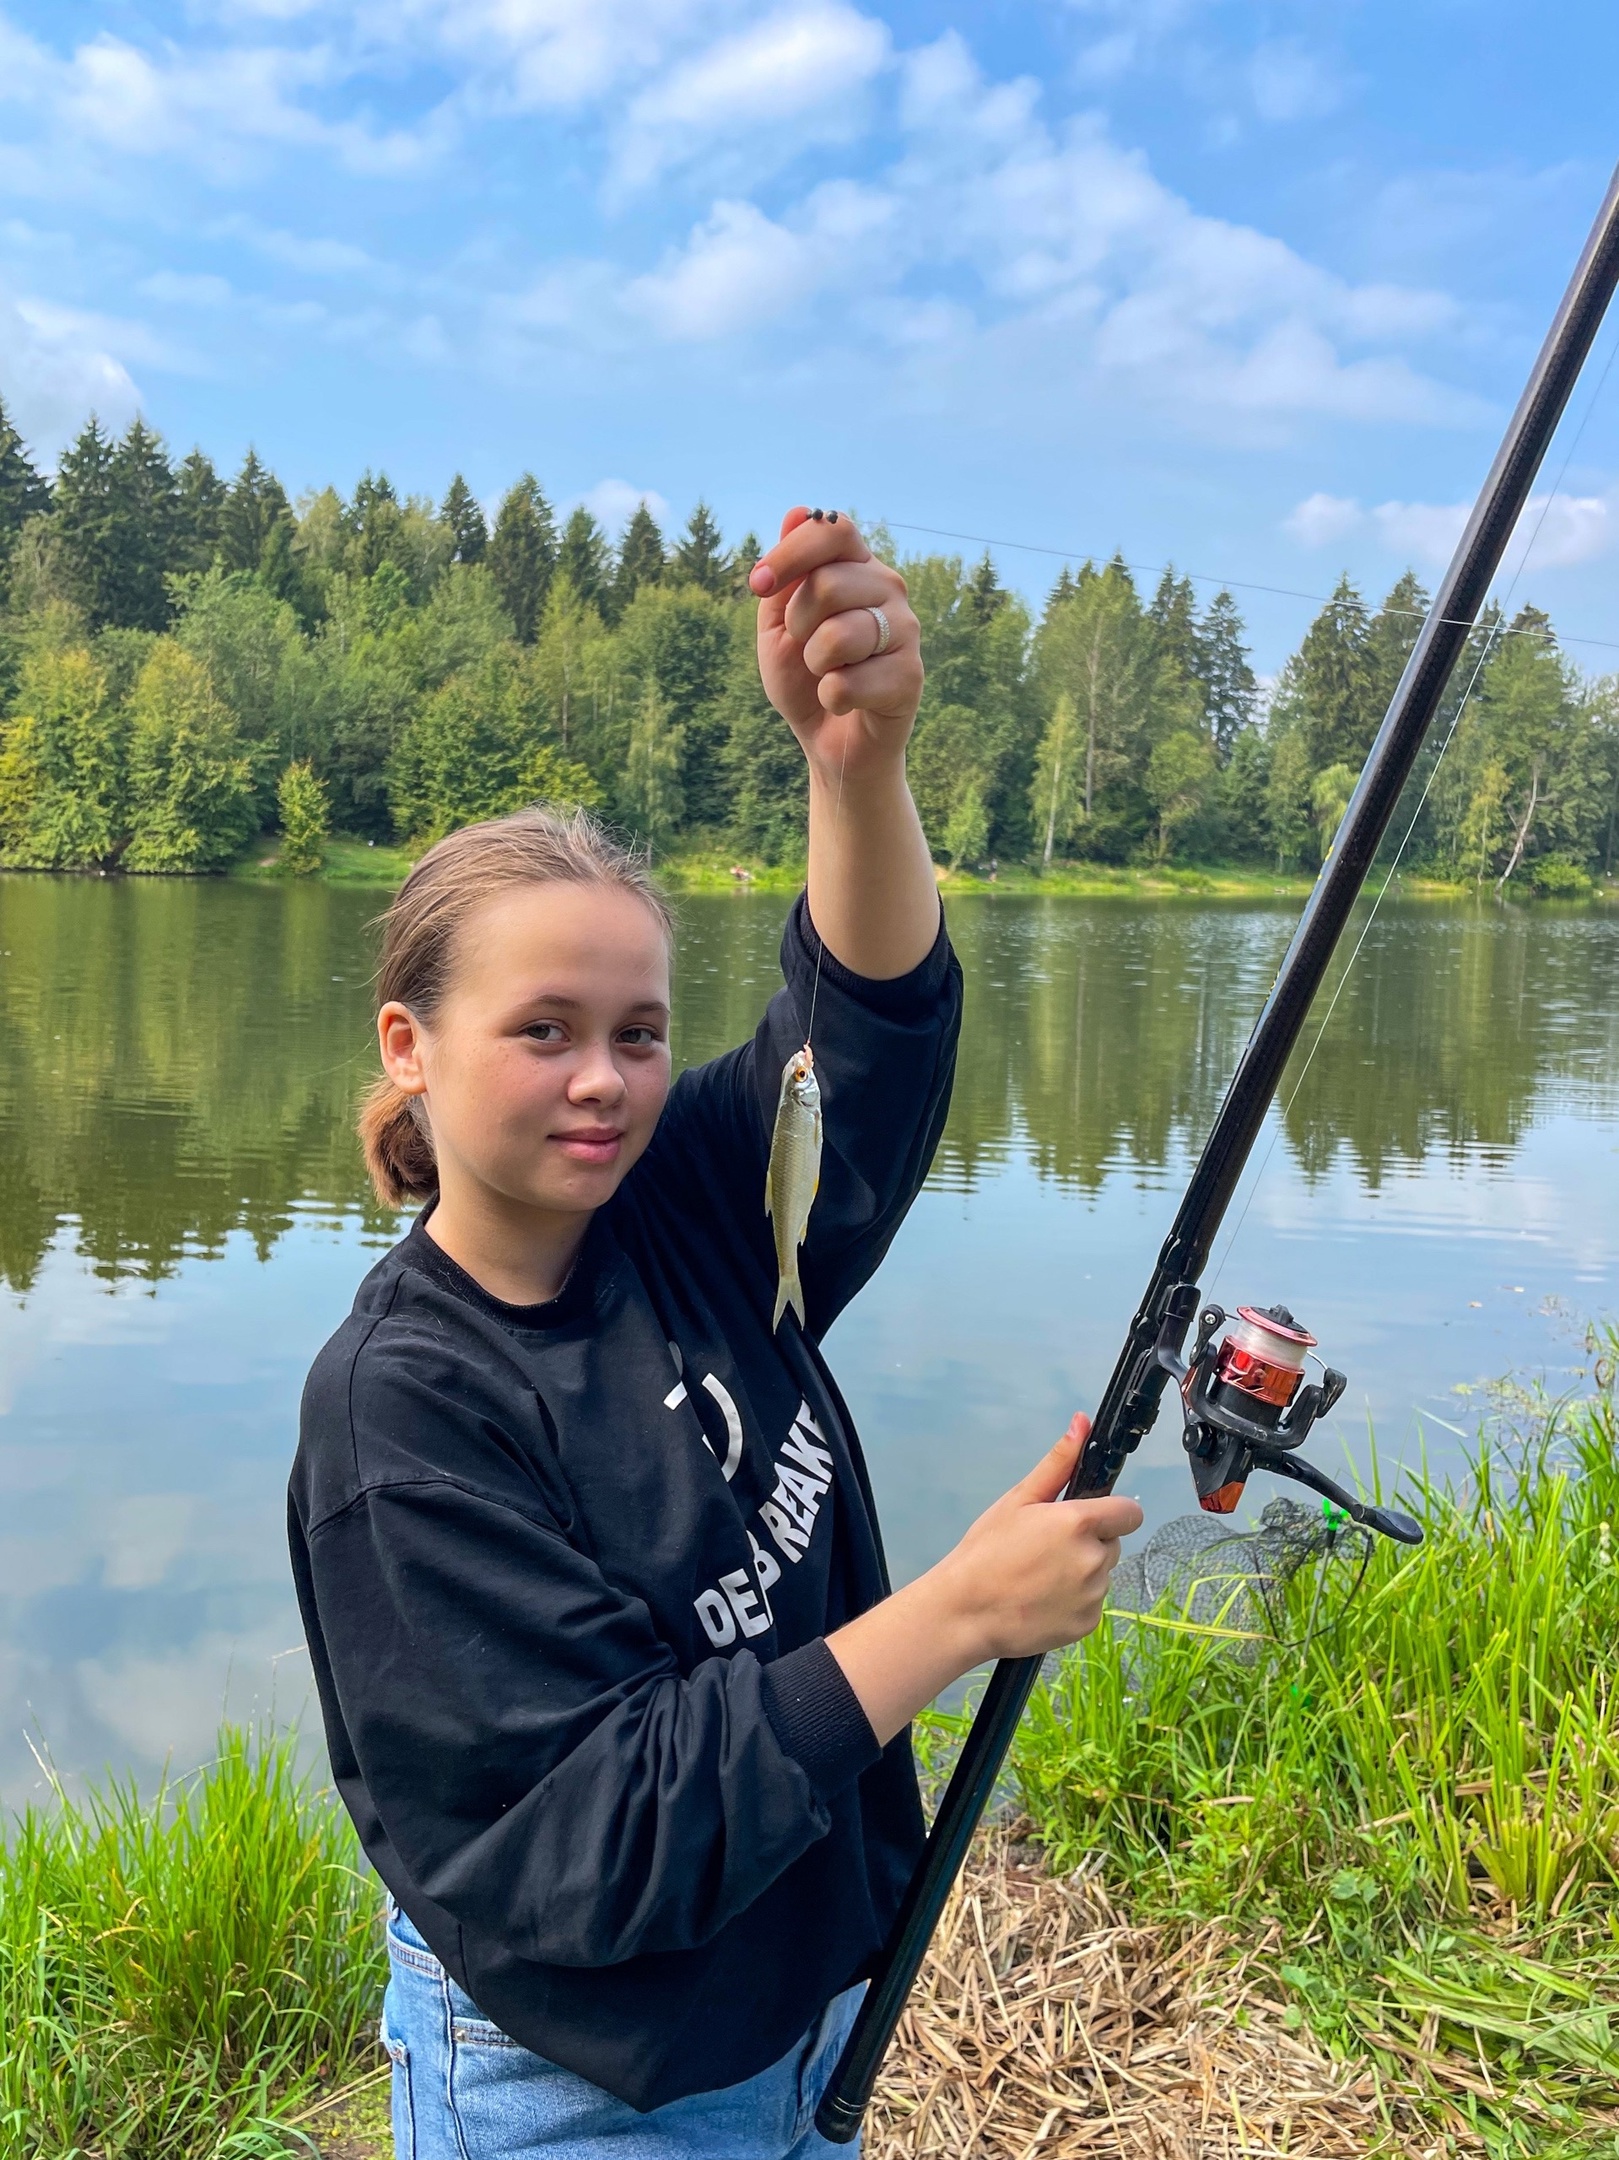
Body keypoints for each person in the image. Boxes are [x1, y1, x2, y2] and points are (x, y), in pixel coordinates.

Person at [288, 508, 1142, 2159]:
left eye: (639, 1031)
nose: (603, 1078)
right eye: (542, 1031)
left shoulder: (684, 1199)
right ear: (409, 1044)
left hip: (803, 1995)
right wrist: (959, 1614)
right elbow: (615, 1826)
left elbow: (865, 1047)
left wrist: (854, 763)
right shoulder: (404, 1417)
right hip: (578, 2082)